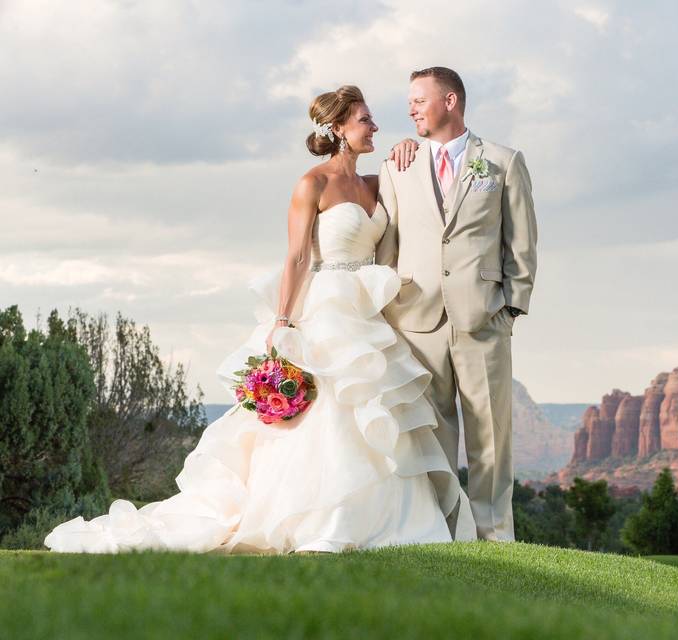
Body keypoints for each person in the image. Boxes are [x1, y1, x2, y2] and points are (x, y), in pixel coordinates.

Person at [43, 85, 470, 554]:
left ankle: (389, 521)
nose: (376, 127)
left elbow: (410, 178)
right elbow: (297, 256)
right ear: (339, 128)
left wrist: (413, 146)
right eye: (366, 119)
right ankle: (320, 519)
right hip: (325, 307)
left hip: (368, 310)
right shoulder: (313, 184)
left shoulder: (373, 183)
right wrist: (283, 321)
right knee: (327, 414)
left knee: (370, 410)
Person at [377, 67, 538, 541]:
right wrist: (389, 312)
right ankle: (444, 532)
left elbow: (522, 242)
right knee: (434, 434)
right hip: (417, 320)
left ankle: (494, 533)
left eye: (418, 100)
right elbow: (388, 244)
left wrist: (510, 308)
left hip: (483, 316)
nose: (410, 109)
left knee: (490, 434)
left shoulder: (503, 162)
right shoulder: (397, 164)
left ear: (449, 101)